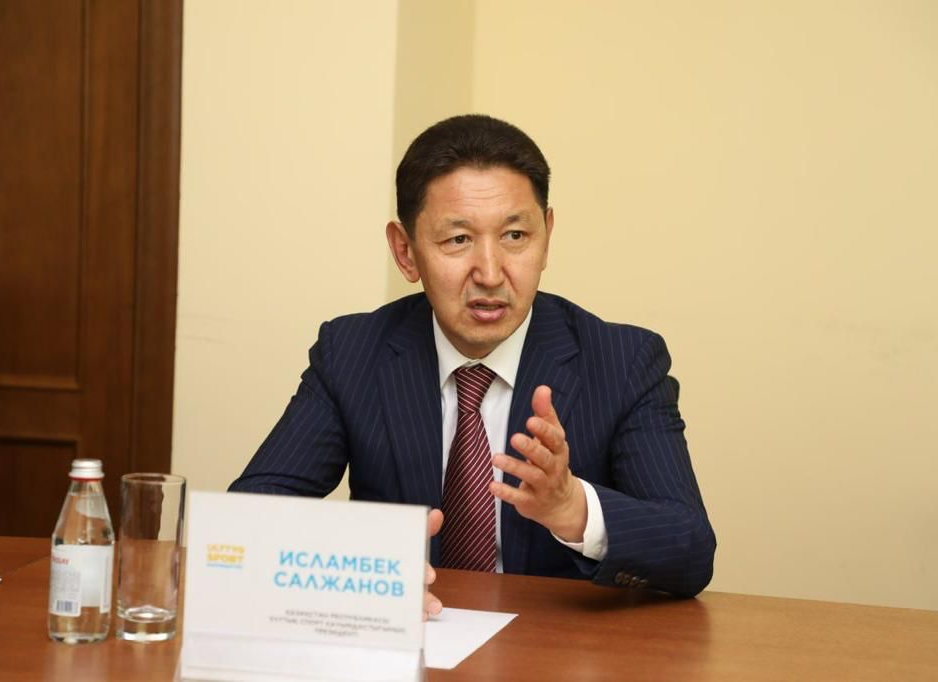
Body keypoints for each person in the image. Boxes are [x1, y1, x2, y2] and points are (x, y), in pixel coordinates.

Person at [230, 114, 716, 617]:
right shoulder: (353, 352)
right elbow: (250, 512)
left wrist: (573, 508)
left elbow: (691, 550)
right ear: (405, 251)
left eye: (515, 236)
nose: (490, 273)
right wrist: (358, 571)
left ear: (546, 237)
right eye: (458, 240)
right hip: (415, 638)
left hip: (554, 646)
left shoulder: (623, 362)